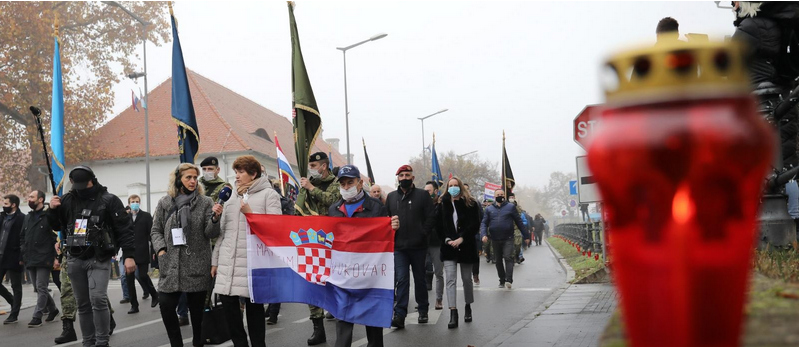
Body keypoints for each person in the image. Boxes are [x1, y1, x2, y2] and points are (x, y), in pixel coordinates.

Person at [47, 166, 135, 347]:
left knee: (98, 298)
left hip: (99, 257)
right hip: (75, 258)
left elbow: (125, 229)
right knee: (83, 303)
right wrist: (52, 210)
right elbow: (57, 226)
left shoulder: (109, 200)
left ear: (92, 180)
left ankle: (102, 341)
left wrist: (129, 256)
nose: (81, 188)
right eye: (77, 185)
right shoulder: (67, 200)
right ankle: (88, 342)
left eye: (84, 184)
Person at [212, 156, 281, 347]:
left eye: (241, 172)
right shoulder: (231, 195)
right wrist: (215, 260)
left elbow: (276, 230)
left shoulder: (269, 195)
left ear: (254, 174)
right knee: (229, 309)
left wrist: (251, 214)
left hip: (253, 262)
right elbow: (224, 232)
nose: (237, 176)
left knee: (254, 311)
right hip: (229, 261)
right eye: (236, 172)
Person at [151, 163, 222, 347]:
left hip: (197, 264)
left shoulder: (205, 202)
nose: (192, 181)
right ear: (178, 180)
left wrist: (214, 218)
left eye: (194, 178)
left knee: (197, 313)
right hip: (171, 265)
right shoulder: (165, 202)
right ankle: (176, 344)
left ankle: (198, 343)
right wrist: (161, 250)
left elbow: (210, 233)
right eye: (188, 177)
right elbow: (155, 230)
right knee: (166, 306)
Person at [328, 165, 399, 347]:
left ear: (360, 183)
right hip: (343, 273)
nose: (346, 187)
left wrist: (392, 229)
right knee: (342, 316)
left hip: (369, 273)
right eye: (342, 184)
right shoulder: (333, 209)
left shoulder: (376, 207)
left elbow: (384, 239)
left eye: (350, 182)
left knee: (372, 319)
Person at [296, 152, 341, 345]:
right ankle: (318, 328)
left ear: (324, 166)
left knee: (335, 284)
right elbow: (298, 210)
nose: (311, 168)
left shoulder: (337, 183)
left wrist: (311, 188)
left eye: (314, 165)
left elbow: (333, 202)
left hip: (333, 242)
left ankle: (343, 321)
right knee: (312, 284)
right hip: (311, 242)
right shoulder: (306, 186)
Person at [385, 165, 434, 329]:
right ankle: (399, 314)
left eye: (407, 175)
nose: (404, 178)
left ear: (412, 178)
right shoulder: (391, 197)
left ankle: (423, 310)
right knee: (402, 279)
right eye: (401, 175)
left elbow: (430, 218)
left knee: (420, 279)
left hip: (419, 246)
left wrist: (423, 234)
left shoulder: (423, 195)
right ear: (397, 178)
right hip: (399, 247)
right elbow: (386, 220)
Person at [436, 177, 479, 329]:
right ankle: (453, 312)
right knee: (450, 280)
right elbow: (438, 225)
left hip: (466, 246)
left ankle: (468, 306)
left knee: (467, 279)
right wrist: (447, 239)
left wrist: (462, 238)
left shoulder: (471, 203)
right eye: (450, 186)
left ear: (461, 187)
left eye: (456, 185)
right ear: (447, 187)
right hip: (448, 247)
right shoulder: (442, 203)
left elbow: (475, 224)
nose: (453, 188)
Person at [21, 191, 59, 328]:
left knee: (42, 287)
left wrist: (55, 257)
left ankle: (37, 316)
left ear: (40, 199)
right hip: (30, 257)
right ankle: (53, 309)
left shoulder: (48, 216)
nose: (29, 199)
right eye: (29, 196)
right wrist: (23, 253)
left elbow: (54, 238)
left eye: (32, 197)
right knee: (37, 288)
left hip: (44, 257)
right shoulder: (28, 217)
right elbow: (22, 237)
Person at [480, 189, 528, 289]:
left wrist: (526, 236)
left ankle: (509, 280)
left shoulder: (510, 207)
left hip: (508, 238)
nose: (500, 196)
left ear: (504, 195)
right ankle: (501, 279)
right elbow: (484, 223)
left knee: (508, 257)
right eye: (498, 194)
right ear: (494, 196)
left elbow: (519, 222)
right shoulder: (489, 209)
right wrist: (483, 234)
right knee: (498, 260)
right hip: (495, 238)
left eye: (502, 194)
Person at [265, 178, 296, 326]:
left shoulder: (285, 203)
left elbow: (290, 222)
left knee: (275, 280)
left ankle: (273, 313)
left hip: (279, 245)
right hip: (265, 246)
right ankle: (270, 307)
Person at [124, 195, 158, 313]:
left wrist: (154, 250)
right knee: (129, 280)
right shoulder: (125, 217)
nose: (135, 203)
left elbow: (153, 234)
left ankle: (154, 294)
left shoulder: (146, 216)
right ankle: (134, 305)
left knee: (143, 276)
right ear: (129, 203)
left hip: (142, 251)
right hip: (129, 253)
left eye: (137, 202)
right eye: (133, 202)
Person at [1, 194, 25, 324]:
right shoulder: (2, 217)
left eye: (6, 204)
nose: (3, 206)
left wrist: (22, 256)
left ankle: (14, 314)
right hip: (1, 256)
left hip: (14, 256)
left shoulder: (22, 218)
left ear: (13, 205)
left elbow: (23, 239)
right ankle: (12, 301)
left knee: (16, 286)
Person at [422, 181, 444, 310]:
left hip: (437, 243)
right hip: (423, 242)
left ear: (435, 191)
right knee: (420, 272)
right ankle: (423, 301)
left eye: (428, 191)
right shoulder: (422, 205)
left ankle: (438, 299)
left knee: (438, 273)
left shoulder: (442, 206)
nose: (426, 193)